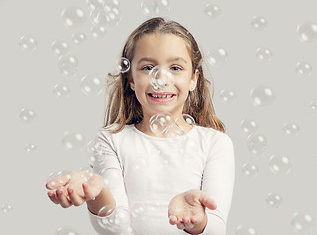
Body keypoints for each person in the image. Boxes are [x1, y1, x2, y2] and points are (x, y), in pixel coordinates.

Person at [45, 17, 235, 235]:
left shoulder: (215, 144)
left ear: (194, 79)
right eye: (148, 67)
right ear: (131, 80)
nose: (161, 79)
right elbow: (115, 229)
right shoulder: (112, 140)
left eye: (175, 67)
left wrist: (197, 221)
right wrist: (97, 193)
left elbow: (217, 228)